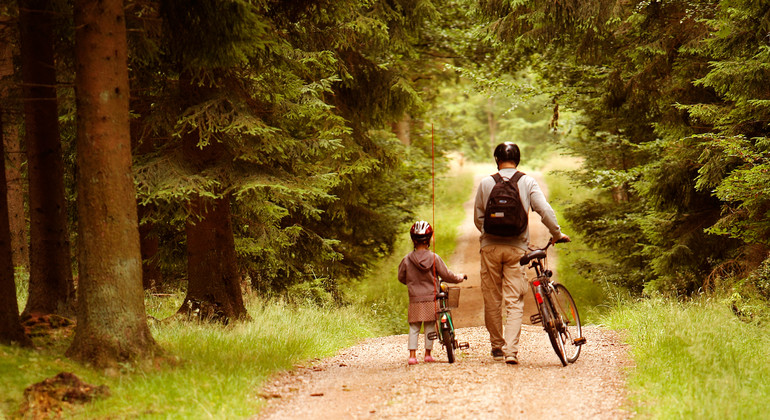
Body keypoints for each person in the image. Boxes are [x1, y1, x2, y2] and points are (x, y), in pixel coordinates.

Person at [474, 142, 570, 365]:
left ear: (496, 159)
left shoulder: (486, 183)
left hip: (489, 248)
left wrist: (489, 235)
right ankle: (511, 352)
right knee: (514, 301)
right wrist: (556, 234)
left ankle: (496, 347)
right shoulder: (526, 181)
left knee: (492, 298)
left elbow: (479, 218)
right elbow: (544, 210)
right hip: (517, 248)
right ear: (518, 159)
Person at [398, 221, 466, 365]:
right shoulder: (434, 258)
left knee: (414, 327)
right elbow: (447, 276)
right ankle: (428, 354)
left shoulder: (406, 260)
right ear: (428, 239)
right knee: (429, 325)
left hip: (415, 299)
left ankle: (412, 356)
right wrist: (459, 277)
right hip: (431, 298)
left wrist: (412, 284)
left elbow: (401, 277)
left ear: (413, 240)